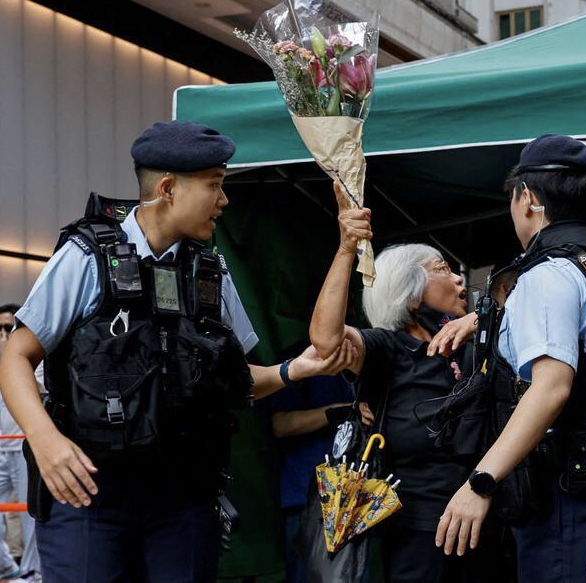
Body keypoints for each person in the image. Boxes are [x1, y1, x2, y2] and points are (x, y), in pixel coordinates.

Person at [0, 121, 352, 583]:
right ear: (168, 188)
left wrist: (291, 371)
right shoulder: (87, 258)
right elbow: (16, 356)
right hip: (90, 496)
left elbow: (236, 379)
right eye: (215, 186)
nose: (224, 201)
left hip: (183, 500)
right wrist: (45, 441)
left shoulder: (211, 271)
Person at [434, 134, 586, 583]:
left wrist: (481, 481)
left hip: (562, 496)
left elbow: (551, 387)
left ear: (528, 198)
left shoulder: (545, 277)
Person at [309, 184, 502, 583]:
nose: (460, 281)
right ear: (412, 296)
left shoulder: (478, 341)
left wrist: (480, 320)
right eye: (443, 270)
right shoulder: (388, 346)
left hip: (488, 515)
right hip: (419, 523)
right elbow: (327, 340)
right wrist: (347, 249)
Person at [268, 363, 371, 583]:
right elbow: (280, 424)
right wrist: (339, 411)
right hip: (308, 498)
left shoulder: (365, 358)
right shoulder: (298, 361)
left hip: (354, 497)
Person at [0, 304, 36, 583]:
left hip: (24, 445)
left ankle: (32, 571)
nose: (4, 334)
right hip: (0, 448)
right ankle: (7, 568)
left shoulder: (31, 356)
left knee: (29, 514)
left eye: (8, 327)